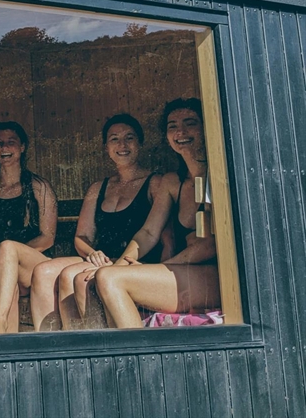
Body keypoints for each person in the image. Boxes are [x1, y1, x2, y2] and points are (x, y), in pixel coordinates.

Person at [29, 114, 164, 330]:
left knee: (72, 276)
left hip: (134, 261)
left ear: (140, 143)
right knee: (43, 271)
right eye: (114, 139)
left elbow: (164, 233)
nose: (122, 145)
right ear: (106, 147)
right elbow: (81, 237)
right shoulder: (97, 188)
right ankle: (53, 345)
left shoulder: (155, 183)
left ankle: (91, 346)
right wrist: (92, 253)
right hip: (103, 258)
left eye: (129, 138)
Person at [94, 98, 220, 328]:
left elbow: (209, 245)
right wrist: (120, 265)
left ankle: (139, 359)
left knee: (108, 279)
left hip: (215, 275)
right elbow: (148, 232)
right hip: (183, 273)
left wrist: (159, 268)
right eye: (172, 126)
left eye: (190, 123)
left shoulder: (218, 175)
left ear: (206, 127)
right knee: (107, 276)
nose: (180, 131)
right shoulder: (173, 182)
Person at [0, 121, 57, 334]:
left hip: (34, 266)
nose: (4, 148)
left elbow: (47, 238)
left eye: (11, 142)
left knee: (8, 248)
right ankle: (7, 342)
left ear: (22, 147)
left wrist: (9, 253)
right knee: (2, 275)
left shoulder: (39, 187)